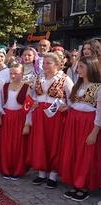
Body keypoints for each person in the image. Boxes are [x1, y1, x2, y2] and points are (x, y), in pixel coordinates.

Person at [28, 53, 73, 189]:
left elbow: (72, 98)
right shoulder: (39, 77)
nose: (45, 65)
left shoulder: (65, 79)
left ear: (57, 64)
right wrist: (34, 102)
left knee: (54, 142)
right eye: (44, 63)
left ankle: (53, 175)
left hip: (56, 115)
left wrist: (67, 106)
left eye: (49, 63)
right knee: (40, 141)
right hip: (40, 113)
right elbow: (32, 95)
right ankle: (42, 172)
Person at [59, 56, 101, 202]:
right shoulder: (78, 85)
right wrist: (68, 106)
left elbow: (99, 112)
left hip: (88, 123)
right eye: (79, 67)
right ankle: (75, 182)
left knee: (85, 155)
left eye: (82, 67)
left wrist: (94, 132)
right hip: (73, 122)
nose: (78, 70)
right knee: (74, 152)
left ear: (91, 67)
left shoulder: (98, 87)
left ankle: (84, 185)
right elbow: (74, 103)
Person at [0, 64, 30, 180]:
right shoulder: (5, 86)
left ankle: (17, 170)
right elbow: (0, 102)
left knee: (18, 145)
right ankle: (5, 169)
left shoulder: (27, 87)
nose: (13, 75)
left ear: (22, 74)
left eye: (16, 73)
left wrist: (27, 124)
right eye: (11, 73)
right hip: (7, 117)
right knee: (5, 143)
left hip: (20, 118)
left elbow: (29, 108)